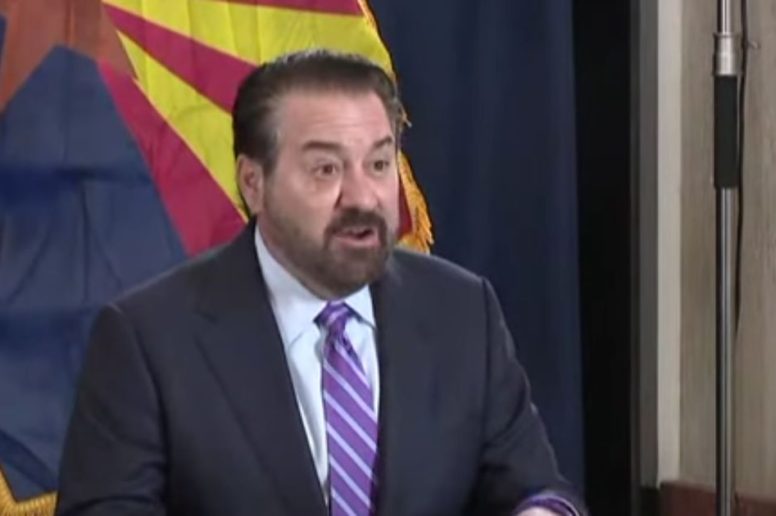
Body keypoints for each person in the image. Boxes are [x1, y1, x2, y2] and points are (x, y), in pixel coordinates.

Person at [55, 49, 586, 516]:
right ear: (253, 183)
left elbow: (536, 486)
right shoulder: (148, 339)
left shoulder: (462, 311)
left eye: (379, 163)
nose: (363, 197)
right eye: (326, 170)